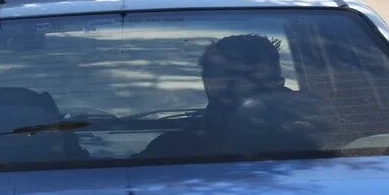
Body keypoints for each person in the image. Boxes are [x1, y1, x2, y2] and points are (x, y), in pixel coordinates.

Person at [137, 34, 328, 159]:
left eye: (245, 74)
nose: (228, 84)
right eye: (215, 72)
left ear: (274, 80)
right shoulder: (172, 148)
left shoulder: (307, 139)